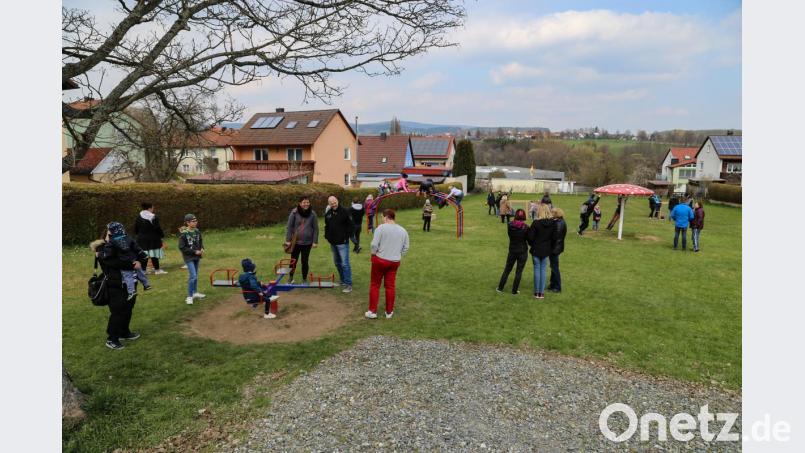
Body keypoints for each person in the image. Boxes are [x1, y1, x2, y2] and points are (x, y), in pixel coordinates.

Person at [92, 223, 143, 350]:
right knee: (118, 311)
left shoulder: (125, 241)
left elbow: (138, 254)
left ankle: (124, 332)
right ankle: (112, 339)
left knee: (129, 307)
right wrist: (132, 264)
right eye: (111, 233)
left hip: (131, 282)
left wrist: (138, 261)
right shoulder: (102, 248)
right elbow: (114, 262)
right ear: (107, 234)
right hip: (115, 284)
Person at [366, 209, 409, 319]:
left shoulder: (381, 228)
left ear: (386, 217)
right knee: (390, 286)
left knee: (375, 284)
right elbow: (406, 248)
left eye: (382, 217)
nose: (381, 219)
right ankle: (389, 311)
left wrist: (373, 254)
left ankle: (372, 311)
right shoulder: (403, 230)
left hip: (380, 260)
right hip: (394, 262)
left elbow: (374, 245)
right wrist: (398, 254)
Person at [107, 222, 151, 300]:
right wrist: (143, 254)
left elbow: (109, 252)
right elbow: (136, 247)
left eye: (109, 230)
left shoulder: (112, 241)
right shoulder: (128, 237)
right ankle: (146, 284)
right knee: (140, 272)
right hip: (134, 259)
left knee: (128, 277)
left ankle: (131, 291)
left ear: (113, 231)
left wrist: (105, 253)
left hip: (124, 262)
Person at [285, 195, 319, 284]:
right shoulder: (294, 212)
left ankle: (304, 279)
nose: (306, 204)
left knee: (305, 261)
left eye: (307, 202)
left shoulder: (313, 214)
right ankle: (291, 278)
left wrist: (315, 241)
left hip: (307, 243)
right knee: (293, 261)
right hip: (295, 242)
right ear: (300, 203)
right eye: (304, 202)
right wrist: (288, 240)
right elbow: (289, 227)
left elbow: (316, 228)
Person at [324, 195, 354, 293]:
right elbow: (327, 226)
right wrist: (327, 236)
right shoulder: (328, 213)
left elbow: (351, 226)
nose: (333, 204)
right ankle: (342, 280)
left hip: (343, 243)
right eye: (331, 203)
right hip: (333, 242)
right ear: (329, 204)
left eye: (334, 202)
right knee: (337, 263)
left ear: (337, 201)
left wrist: (346, 237)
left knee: (345, 264)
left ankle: (349, 284)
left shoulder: (345, 211)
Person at [496, 209, 529, 295]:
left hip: (513, 250)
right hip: (522, 251)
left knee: (507, 269)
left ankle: (500, 288)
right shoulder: (525, 227)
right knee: (518, 271)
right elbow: (528, 239)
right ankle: (513, 290)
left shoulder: (510, 225)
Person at [528, 204, 556, 299]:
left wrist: (533, 244)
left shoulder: (537, 223)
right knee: (542, 270)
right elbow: (554, 238)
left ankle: (538, 293)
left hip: (538, 249)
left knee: (538, 269)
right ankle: (540, 293)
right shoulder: (551, 223)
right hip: (543, 249)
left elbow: (530, 237)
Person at [178, 214, 205, 304]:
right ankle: (189, 296)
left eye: (196, 220)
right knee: (193, 276)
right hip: (189, 257)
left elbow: (200, 241)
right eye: (193, 221)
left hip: (197, 256)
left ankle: (195, 293)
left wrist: (202, 248)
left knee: (195, 275)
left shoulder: (197, 231)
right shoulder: (184, 234)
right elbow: (182, 247)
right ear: (188, 223)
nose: (196, 222)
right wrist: (194, 252)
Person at [134, 202, 166, 274]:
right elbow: (157, 228)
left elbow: (136, 229)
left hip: (141, 239)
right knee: (154, 254)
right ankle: (157, 270)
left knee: (144, 255)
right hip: (153, 238)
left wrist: (139, 235)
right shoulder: (153, 217)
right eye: (152, 208)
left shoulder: (139, 216)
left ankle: (143, 270)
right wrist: (162, 235)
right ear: (149, 208)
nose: (153, 209)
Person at [547, 208, 567, 293]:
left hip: (555, 248)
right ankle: (552, 284)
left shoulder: (558, 223)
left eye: (552, 213)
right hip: (557, 247)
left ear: (556, 214)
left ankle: (557, 287)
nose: (550, 214)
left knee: (555, 267)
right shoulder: (559, 221)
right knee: (553, 266)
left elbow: (555, 237)